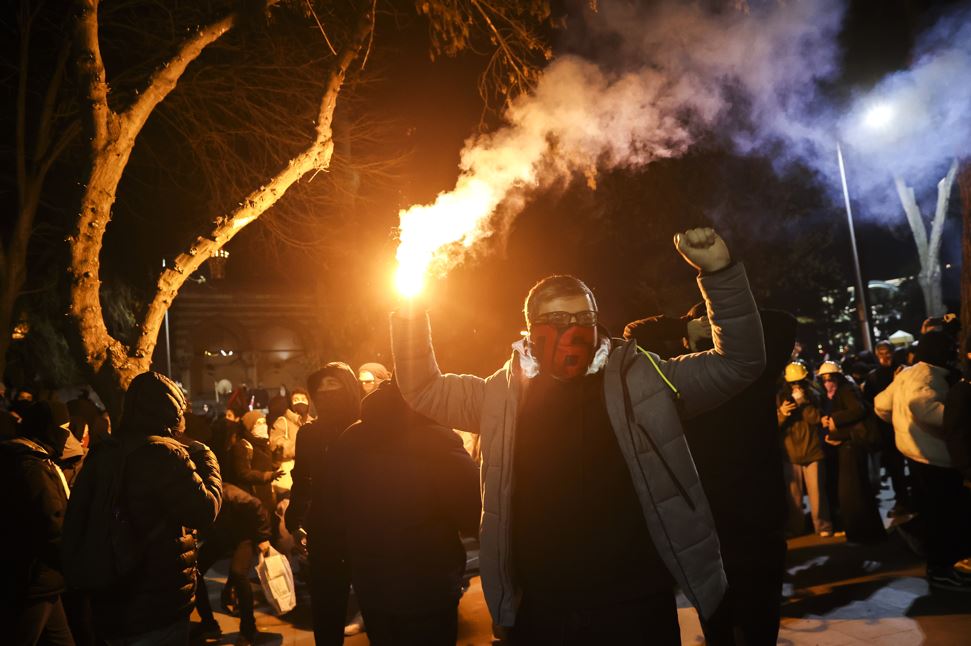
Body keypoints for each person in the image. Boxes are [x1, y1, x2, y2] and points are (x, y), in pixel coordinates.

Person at [391, 228, 765, 642]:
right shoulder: (499, 396)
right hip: (541, 610)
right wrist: (409, 312)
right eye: (554, 320)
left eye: (582, 319)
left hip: (635, 604)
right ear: (530, 327)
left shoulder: (644, 380)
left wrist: (720, 273)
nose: (570, 329)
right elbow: (424, 388)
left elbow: (739, 363)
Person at [624, 306, 795, 645]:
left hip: (752, 518)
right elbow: (631, 336)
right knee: (725, 622)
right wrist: (685, 325)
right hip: (711, 521)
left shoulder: (753, 367)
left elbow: (784, 323)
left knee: (755, 620)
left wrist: (719, 319)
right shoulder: (680, 377)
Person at [62, 371, 222, 643]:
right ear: (171, 410)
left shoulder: (104, 452)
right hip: (156, 602)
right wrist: (207, 458)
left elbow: (77, 516)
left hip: (108, 597)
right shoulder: (164, 453)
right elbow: (204, 510)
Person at [316, 379, 480, 645]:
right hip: (429, 587)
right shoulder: (438, 440)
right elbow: (474, 511)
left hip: (372, 587)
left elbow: (331, 509)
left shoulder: (349, 439)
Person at [876, 331, 971, 591]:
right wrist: (959, 419)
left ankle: (940, 563)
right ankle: (941, 569)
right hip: (934, 458)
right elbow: (930, 411)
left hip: (916, 454)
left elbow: (881, 404)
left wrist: (902, 423)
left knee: (936, 514)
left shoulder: (907, 373)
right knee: (943, 517)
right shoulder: (928, 375)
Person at [285, 363, 362, 644]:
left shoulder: (367, 429)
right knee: (327, 613)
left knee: (379, 608)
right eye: (322, 388)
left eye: (335, 385)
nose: (328, 392)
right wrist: (295, 521)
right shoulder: (309, 434)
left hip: (367, 529)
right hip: (325, 534)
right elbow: (302, 480)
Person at [0, 402, 75, 646]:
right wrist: (75, 563)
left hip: (40, 579)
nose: (67, 435)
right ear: (48, 429)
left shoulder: (19, 459)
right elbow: (52, 524)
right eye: (63, 428)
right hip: (33, 579)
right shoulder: (33, 467)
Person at [194, 483, 273, 645]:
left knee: (238, 574)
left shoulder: (231, 495)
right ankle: (209, 624)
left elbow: (256, 505)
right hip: (222, 535)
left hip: (243, 536)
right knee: (195, 571)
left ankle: (248, 630)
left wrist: (263, 536)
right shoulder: (199, 498)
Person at [817, 361, 885, 544]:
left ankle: (861, 534)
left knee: (853, 494)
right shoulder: (834, 393)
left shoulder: (846, 390)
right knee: (855, 493)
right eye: (823, 379)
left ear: (837, 377)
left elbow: (858, 410)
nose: (827, 382)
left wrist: (834, 421)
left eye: (830, 378)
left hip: (852, 447)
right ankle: (863, 533)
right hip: (847, 446)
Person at [778, 361, 834, 537]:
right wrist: (782, 413)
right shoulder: (780, 396)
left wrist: (804, 403)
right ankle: (796, 528)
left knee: (817, 493)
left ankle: (823, 526)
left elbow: (816, 418)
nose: (796, 386)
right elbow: (773, 425)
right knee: (793, 496)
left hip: (812, 450)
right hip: (791, 452)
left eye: (799, 381)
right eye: (792, 382)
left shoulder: (814, 394)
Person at [864, 340, 910, 515]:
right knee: (895, 467)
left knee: (911, 464)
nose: (885, 357)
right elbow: (868, 404)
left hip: (905, 425)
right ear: (877, 355)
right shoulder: (873, 377)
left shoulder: (903, 372)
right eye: (881, 354)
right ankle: (903, 499)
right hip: (887, 430)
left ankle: (910, 499)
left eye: (887, 353)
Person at [229, 411, 283, 516]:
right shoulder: (243, 446)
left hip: (267, 497)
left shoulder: (264, 444)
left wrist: (277, 460)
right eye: (258, 423)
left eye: (264, 422)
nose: (263, 426)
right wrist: (266, 476)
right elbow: (243, 473)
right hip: (253, 498)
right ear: (250, 426)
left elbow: (267, 466)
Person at [270, 388, 313, 462]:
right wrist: (300, 448)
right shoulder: (282, 422)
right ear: (290, 404)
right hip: (292, 467)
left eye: (303, 400)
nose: (300, 402)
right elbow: (276, 443)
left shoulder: (313, 422)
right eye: (296, 400)